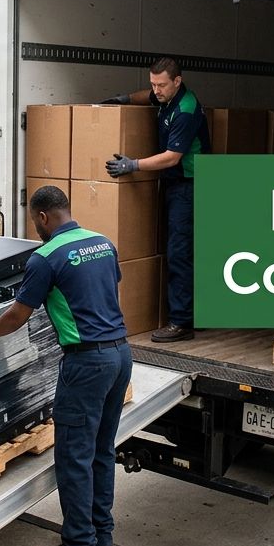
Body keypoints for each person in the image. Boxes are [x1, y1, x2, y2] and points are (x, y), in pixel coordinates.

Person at [0, 186, 132, 546]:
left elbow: (18, 315)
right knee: (102, 451)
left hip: (86, 364)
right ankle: (102, 538)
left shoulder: (46, 257)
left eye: (35, 221)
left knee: (73, 457)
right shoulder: (103, 243)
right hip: (120, 355)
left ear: (42, 217)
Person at [101, 57, 210, 343]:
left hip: (191, 185)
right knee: (181, 249)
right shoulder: (165, 96)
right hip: (176, 183)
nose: (156, 90)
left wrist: (133, 165)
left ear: (178, 80)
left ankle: (182, 322)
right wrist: (123, 99)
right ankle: (195, 312)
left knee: (179, 251)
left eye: (161, 85)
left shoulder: (186, 109)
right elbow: (145, 96)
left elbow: (172, 157)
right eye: (153, 84)